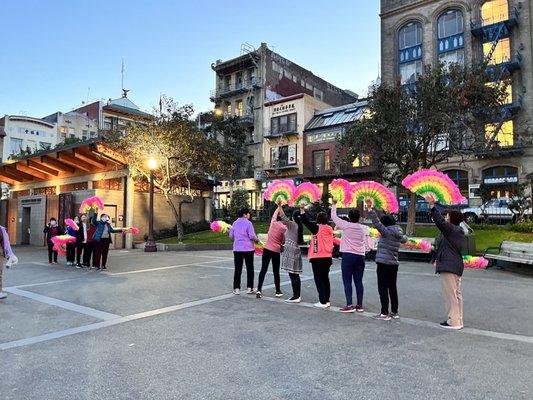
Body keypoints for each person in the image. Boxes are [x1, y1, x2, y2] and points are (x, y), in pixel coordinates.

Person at [425, 194, 465, 330]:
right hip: (453, 265)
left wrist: (432, 206)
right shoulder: (453, 232)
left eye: (448, 217)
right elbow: (442, 245)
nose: (446, 218)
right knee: (456, 294)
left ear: (452, 220)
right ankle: (457, 319)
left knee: (451, 295)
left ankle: (454, 321)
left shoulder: (452, 230)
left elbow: (439, 222)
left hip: (449, 266)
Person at [366, 199, 407, 321]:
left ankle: (384, 313)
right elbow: (404, 240)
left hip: (383, 263)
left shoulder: (387, 232)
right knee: (392, 288)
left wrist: (370, 209)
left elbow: (377, 223)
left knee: (382, 288)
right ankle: (394, 312)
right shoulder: (398, 232)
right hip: (394, 264)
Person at [331, 199, 371, 313]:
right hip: (360, 256)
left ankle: (349, 304)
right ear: (359, 217)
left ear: (349, 217)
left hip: (348, 255)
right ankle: (359, 305)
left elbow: (334, 216)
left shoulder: (346, 225)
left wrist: (334, 204)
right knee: (358, 281)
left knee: (347, 280)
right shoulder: (364, 228)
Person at [300, 204, 338, 309]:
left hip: (317, 258)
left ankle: (322, 301)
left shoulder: (316, 228)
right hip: (327, 257)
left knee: (319, 280)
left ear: (317, 219)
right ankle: (327, 300)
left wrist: (302, 209)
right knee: (325, 279)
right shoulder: (329, 229)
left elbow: (305, 221)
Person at [256, 199, 287, 299]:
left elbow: (275, 214)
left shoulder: (273, 223)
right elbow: (283, 242)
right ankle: (278, 291)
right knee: (275, 271)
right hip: (276, 251)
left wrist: (279, 206)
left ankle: (259, 290)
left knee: (263, 270)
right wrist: (281, 206)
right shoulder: (284, 228)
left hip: (267, 249)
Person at [229, 208, 258, 295]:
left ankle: (236, 288)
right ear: (245, 214)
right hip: (248, 249)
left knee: (238, 269)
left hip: (237, 249)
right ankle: (250, 288)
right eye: (248, 214)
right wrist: (257, 240)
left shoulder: (234, 223)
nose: (249, 215)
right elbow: (252, 236)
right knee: (250, 268)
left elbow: (231, 236)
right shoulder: (248, 223)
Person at [279, 204, 304, 303]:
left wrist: (279, 206)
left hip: (291, 251)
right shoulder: (299, 226)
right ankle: (297, 295)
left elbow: (283, 216)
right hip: (296, 250)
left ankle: (296, 296)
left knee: (292, 275)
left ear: (293, 217)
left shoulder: (292, 225)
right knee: (295, 274)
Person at [0, 226, 18, 300]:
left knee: (0, 273)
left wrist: (10, 255)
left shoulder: (1, 229)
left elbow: (6, 243)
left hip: (0, 253)